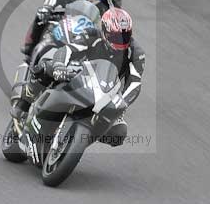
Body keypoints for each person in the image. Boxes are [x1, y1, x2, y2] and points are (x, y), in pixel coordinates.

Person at [32, 8, 144, 146]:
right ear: (104, 31)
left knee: (119, 133)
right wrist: (59, 66)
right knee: (44, 67)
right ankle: (27, 100)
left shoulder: (136, 53)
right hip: (77, 73)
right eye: (115, 37)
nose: (120, 42)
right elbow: (68, 50)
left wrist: (122, 102)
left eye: (125, 36)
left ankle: (76, 142)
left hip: (106, 92)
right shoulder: (91, 34)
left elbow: (135, 82)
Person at [21, 0, 122, 62]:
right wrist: (47, 7)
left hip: (94, 21)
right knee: (42, 16)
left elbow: (115, 17)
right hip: (69, 10)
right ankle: (30, 47)